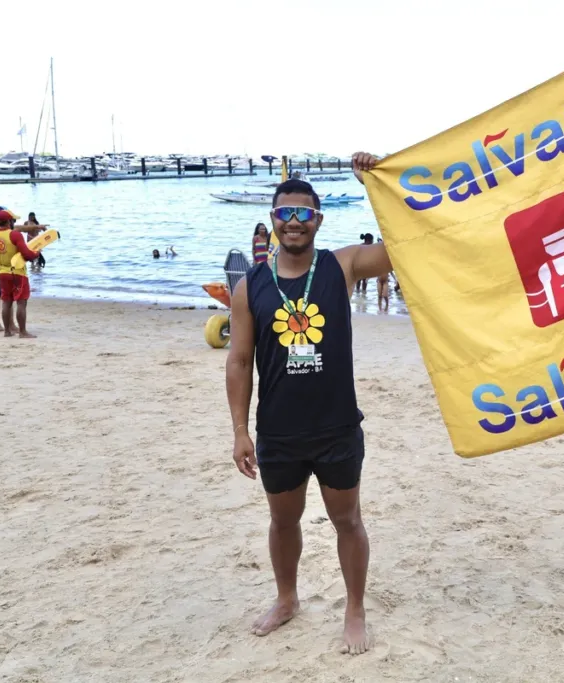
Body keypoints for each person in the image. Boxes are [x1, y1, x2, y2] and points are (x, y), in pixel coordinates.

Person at [227, 162, 391, 656]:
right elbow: (239, 361)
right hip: (278, 432)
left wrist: (375, 186)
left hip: (336, 426)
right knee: (283, 521)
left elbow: (405, 247)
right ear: (273, 219)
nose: (294, 222)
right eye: (285, 213)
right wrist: (240, 430)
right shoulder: (250, 285)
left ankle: (355, 610)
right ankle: (287, 598)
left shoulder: (342, 266)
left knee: (348, 521)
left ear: (318, 219)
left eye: (303, 213)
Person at [0, 210, 40, 338]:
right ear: (9, 221)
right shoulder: (15, 235)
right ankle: (23, 332)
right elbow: (26, 254)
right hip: (18, 273)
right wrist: (36, 253)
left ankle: (7, 331)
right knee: (21, 302)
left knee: (6, 302)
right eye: (13, 220)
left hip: (3, 273)